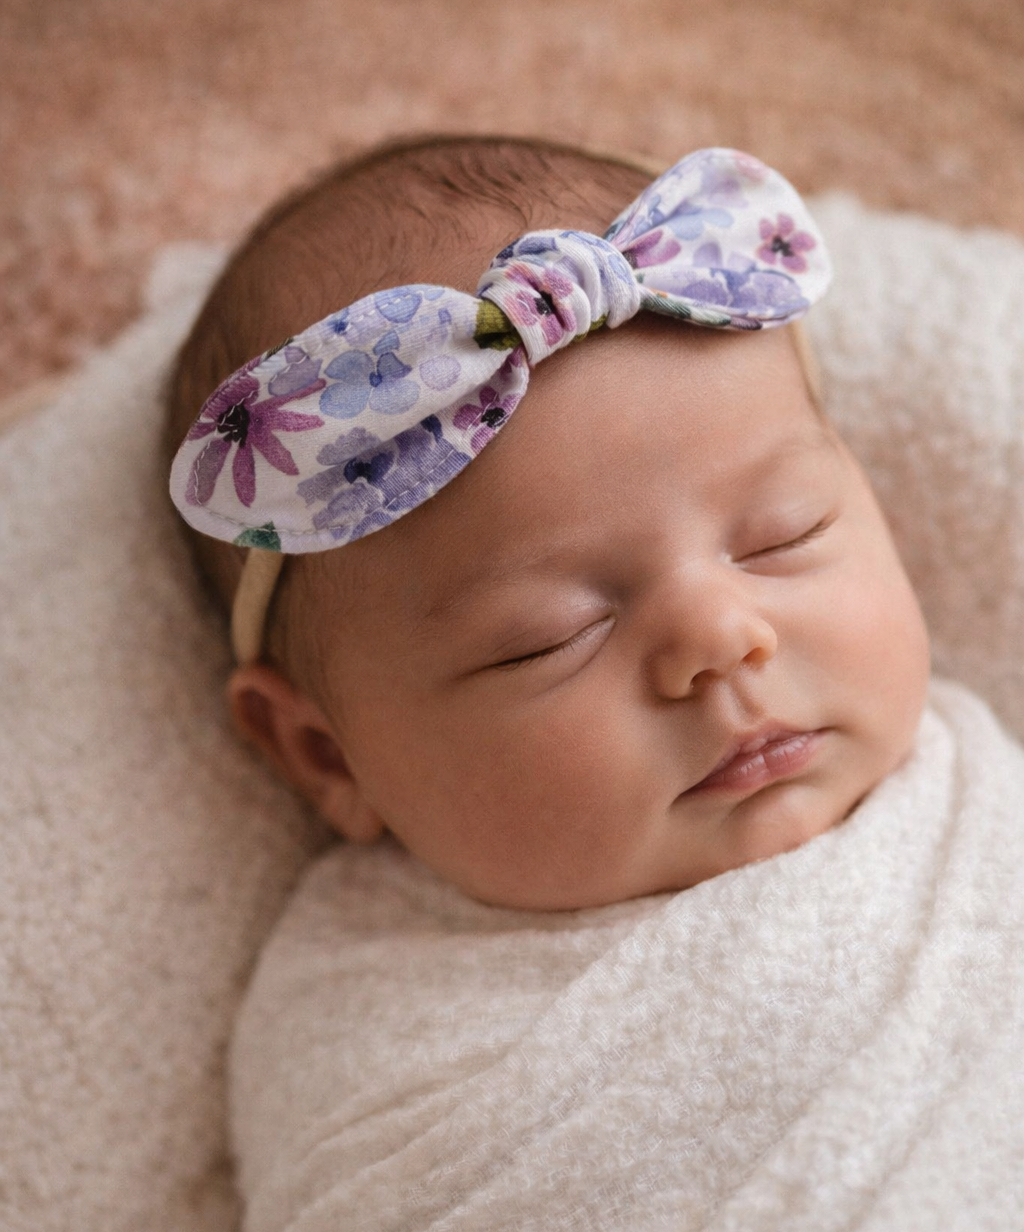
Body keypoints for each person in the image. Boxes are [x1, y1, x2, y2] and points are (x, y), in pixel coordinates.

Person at [166, 135, 930, 911]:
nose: (722, 637)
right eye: (553, 636)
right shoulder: (386, 992)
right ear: (327, 754)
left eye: (787, 534)